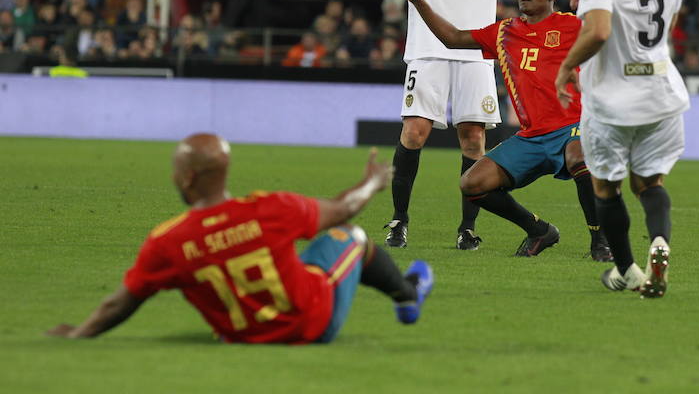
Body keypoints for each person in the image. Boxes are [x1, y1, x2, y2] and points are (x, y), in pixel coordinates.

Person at [46, 134, 434, 343]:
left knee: (292, 261)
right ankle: (407, 294)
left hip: (243, 334)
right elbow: (343, 208)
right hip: (312, 325)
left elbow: (120, 303)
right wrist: (371, 184)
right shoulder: (268, 209)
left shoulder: (167, 242)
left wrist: (80, 334)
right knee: (348, 235)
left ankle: (406, 292)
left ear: (186, 178)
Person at [354, 0, 555, 250]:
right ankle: (399, 220)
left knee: (473, 141)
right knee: (414, 132)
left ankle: (467, 229)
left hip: (476, 53)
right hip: (428, 50)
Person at [392, 0, 613, 260]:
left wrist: (599, 1)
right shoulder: (504, 32)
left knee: (579, 157)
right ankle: (539, 230)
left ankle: (600, 242)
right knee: (471, 183)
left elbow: (608, 34)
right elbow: (453, 38)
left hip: (573, 126)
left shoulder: (572, 25)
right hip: (531, 137)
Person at [555, 0, 690, 298]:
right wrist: (590, 3)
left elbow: (599, 31)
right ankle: (660, 244)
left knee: (606, 188)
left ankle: (627, 270)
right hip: (661, 95)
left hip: (613, 101)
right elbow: (665, 14)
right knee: (649, 183)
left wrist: (565, 67)